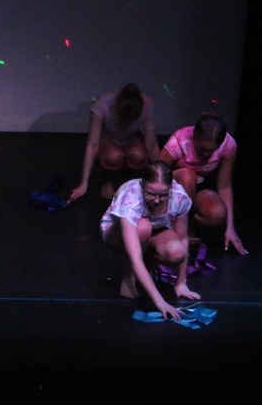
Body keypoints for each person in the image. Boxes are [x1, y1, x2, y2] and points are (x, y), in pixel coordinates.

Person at [100, 161, 199, 319]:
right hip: (118, 233)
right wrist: (160, 301)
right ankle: (129, 273)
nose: (157, 200)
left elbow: (182, 237)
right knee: (144, 227)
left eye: (163, 195)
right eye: (151, 194)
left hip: (156, 230)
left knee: (177, 252)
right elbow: (136, 259)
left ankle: (148, 264)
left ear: (170, 188)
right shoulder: (131, 198)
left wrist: (181, 281)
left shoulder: (179, 197)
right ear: (142, 185)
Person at [159, 112, 246, 255]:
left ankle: (189, 225)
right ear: (194, 137)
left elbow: (225, 186)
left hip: (197, 192)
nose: (206, 154)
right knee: (188, 176)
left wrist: (230, 227)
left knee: (218, 214)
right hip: (173, 192)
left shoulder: (228, 145)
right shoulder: (180, 140)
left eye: (212, 150)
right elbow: (157, 175)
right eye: (202, 149)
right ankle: (176, 229)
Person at [69, 83, 159, 202]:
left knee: (139, 155)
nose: (126, 123)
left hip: (130, 139)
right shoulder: (103, 103)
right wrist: (83, 184)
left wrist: (162, 179)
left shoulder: (147, 104)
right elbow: (92, 144)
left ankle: (124, 181)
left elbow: (152, 145)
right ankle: (108, 182)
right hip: (107, 140)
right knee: (114, 156)